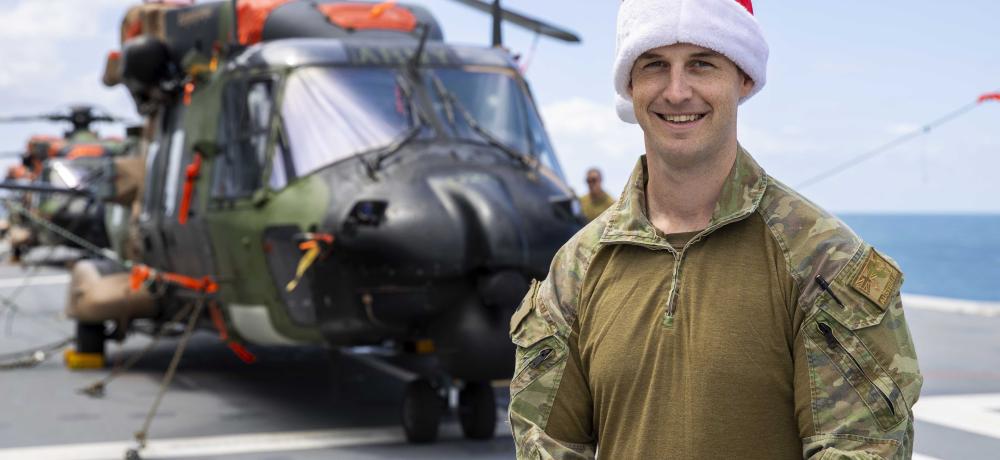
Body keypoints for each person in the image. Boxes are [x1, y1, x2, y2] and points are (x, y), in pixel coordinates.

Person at [507, 0, 923, 459]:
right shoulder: (577, 268)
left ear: (742, 78)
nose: (677, 91)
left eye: (702, 64)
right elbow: (545, 442)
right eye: (654, 66)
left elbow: (861, 447)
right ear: (630, 84)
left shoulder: (824, 259)